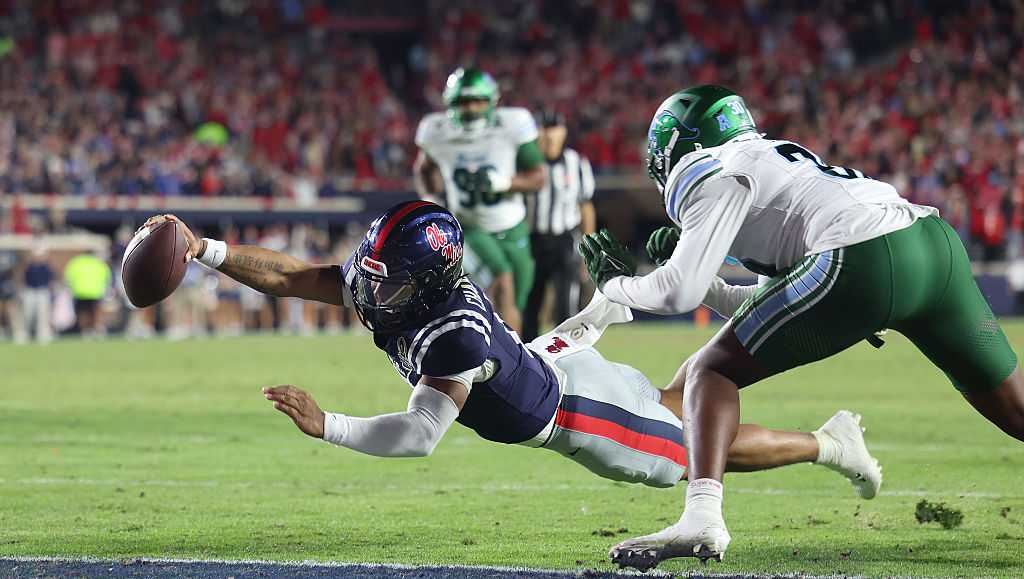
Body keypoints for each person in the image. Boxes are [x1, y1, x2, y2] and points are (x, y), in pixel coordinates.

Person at [142, 202, 880, 511]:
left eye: (387, 279)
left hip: (579, 417)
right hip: (552, 362)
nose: (368, 286)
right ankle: (751, 335)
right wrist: (204, 250)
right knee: (677, 404)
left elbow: (421, 434)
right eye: (371, 269)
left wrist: (327, 423)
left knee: (694, 452)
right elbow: (293, 276)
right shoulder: (402, 285)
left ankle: (829, 443)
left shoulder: (450, 333)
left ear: (427, 282)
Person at [576, 85, 1024, 570]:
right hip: (932, 246)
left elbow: (674, 295)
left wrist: (616, 283)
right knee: (1016, 408)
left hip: (863, 259)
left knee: (711, 371)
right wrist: (704, 281)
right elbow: (768, 305)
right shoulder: (774, 160)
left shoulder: (705, 167)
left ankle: (701, 517)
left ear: (676, 146)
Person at [413, 67, 547, 333]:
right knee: (503, 282)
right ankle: (502, 355)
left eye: (478, 101)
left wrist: (505, 183)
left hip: (513, 226)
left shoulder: (512, 125)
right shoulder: (436, 131)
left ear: (492, 101)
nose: (471, 108)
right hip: (470, 226)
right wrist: (431, 199)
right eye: (463, 102)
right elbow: (423, 168)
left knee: (518, 300)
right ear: (451, 104)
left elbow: (539, 177)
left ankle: (516, 351)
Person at [522, 110, 596, 341]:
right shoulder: (525, 163)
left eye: (554, 128)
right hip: (531, 241)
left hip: (565, 240)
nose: (549, 134)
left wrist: (588, 250)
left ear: (563, 132)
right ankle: (527, 357)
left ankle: (565, 356)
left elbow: (585, 207)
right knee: (530, 307)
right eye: (544, 128)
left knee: (566, 307)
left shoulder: (577, 163)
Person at [64, 249, 111, 338]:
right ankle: (97, 329)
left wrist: (71, 288)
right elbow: (107, 277)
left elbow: (68, 277)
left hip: (80, 292)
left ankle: (85, 330)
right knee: (96, 312)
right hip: (96, 292)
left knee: (83, 312)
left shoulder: (76, 263)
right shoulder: (99, 263)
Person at [21, 247, 53, 344]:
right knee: (27, 314)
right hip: (30, 291)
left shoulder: (46, 267)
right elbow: (24, 279)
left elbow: (50, 280)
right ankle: (25, 334)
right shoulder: (29, 267)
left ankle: (43, 334)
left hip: (42, 291)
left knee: (43, 314)